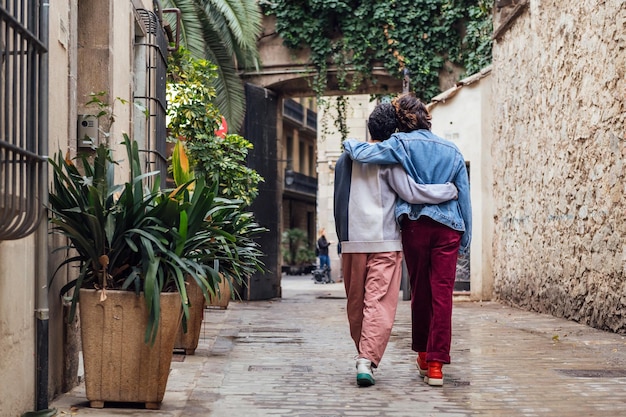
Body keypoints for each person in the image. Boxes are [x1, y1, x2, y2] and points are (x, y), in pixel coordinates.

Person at [342, 94, 472, 387]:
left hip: (414, 226)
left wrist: (348, 144)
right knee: (442, 294)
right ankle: (436, 366)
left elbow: (365, 155)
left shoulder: (398, 146)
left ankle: (423, 355)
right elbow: (464, 196)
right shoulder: (452, 149)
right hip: (449, 228)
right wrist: (466, 239)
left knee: (420, 292)